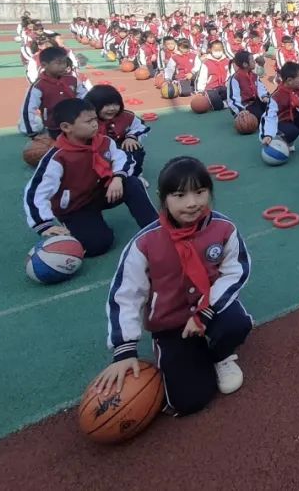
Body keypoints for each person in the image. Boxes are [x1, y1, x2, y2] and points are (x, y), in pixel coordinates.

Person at [94, 157, 252, 415]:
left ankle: (221, 354)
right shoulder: (144, 243)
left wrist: (205, 311)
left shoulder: (223, 228)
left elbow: (235, 272)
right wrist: (124, 350)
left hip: (209, 310)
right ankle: (190, 354)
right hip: (171, 323)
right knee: (189, 401)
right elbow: (126, 295)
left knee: (236, 323)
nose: (192, 203)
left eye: (200, 192)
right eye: (179, 195)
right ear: (162, 197)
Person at [23, 98, 157, 256]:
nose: (95, 124)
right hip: (74, 207)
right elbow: (35, 193)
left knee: (132, 183)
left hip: (99, 193)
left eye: (95, 119)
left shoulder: (105, 142)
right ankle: (82, 227)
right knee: (98, 245)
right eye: (88, 121)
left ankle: (156, 230)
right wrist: (44, 225)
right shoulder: (57, 158)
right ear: (66, 127)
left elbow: (123, 159)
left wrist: (118, 178)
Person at [20, 46, 88, 138]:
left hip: (75, 125)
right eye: (58, 63)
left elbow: (86, 98)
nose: (63, 66)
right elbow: (28, 109)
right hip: (53, 128)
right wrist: (32, 132)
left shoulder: (73, 80)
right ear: (44, 65)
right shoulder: (38, 86)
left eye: (64, 62)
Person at [87, 84, 150, 181]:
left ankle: (134, 176)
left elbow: (139, 125)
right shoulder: (88, 120)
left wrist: (131, 137)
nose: (112, 108)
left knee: (134, 148)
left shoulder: (125, 116)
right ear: (94, 106)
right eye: (107, 105)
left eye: (115, 104)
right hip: (98, 149)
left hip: (120, 146)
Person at [261, 61, 299, 157]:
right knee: (291, 131)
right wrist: (268, 135)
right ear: (289, 80)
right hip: (282, 123)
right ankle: (286, 140)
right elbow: (269, 116)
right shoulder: (276, 96)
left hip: (297, 118)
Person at [227, 50, 270, 120]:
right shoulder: (235, 79)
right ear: (245, 64)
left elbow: (261, 90)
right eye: (252, 60)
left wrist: (264, 97)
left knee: (274, 108)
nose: (254, 62)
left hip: (257, 103)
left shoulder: (255, 76)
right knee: (262, 117)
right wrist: (241, 111)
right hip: (245, 107)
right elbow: (233, 99)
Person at [196, 40, 232, 111]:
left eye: (220, 49)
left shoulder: (227, 61)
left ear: (223, 49)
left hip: (223, 87)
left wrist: (228, 83)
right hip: (211, 88)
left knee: (235, 96)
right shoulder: (206, 63)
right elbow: (202, 77)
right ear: (210, 50)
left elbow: (229, 74)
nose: (218, 51)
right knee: (217, 106)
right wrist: (200, 90)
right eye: (215, 50)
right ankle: (218, 102)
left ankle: (223, 102)